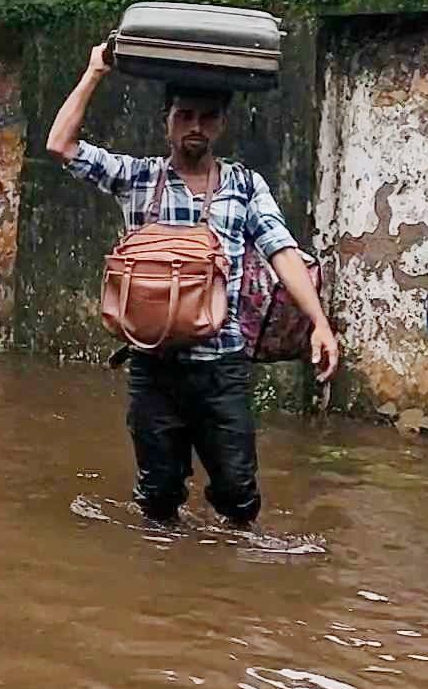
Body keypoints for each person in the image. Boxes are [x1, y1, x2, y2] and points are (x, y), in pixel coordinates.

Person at [45, 42, 339, 527]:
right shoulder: (136, 177)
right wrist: (95, 69)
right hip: (153, 364)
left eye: (206, 117)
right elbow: (60, 145)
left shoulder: (244, 185)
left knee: (239, 496)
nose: (195, 127)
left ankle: (226, 586)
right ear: (167, 121)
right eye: (184, 116)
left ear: (221, 124)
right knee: (157, 497)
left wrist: (319, 323)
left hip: (222, 367)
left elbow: (282, 251)